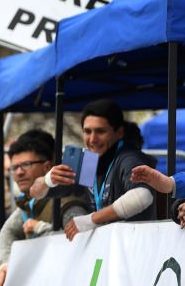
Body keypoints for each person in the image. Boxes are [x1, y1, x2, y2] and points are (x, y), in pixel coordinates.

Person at [30, 99, 156, 240]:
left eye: (100, 131)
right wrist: (47, 180)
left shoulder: (128, 158)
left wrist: (91, 220)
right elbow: (35, 193)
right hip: (106, 247)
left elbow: (142, 196)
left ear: (119, 132)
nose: (92, 139)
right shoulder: (89, 162)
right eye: (87, 131)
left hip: (134, 246)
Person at [0, 129, 90, 286]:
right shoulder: (29, 202)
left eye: (26, 165)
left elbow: (81, 245)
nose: (19, 173)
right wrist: (6, 264)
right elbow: (7, 231)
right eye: (15, 167)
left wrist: (41, 229)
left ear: (47, 166)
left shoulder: (68, 201)